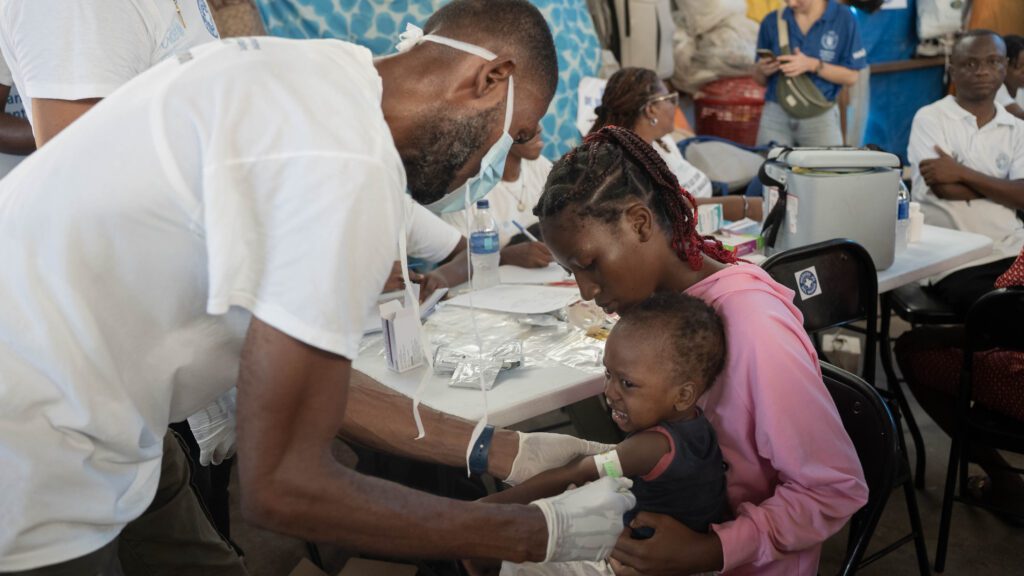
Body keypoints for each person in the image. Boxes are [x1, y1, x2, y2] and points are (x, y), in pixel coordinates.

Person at [0, 1, 636, 574]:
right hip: (36, 436)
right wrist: (530, 532)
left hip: (108, 408)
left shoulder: (317, 79)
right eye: (514, 135)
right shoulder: (342, 166)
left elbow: (295, 381)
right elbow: (284, 486)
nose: (496, 165)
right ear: (489, 78)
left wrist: (501, 449)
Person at [532, 126, 867, 575]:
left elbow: (833, 489)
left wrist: (710, 550)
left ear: (639, 223)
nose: (586, 290)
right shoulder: (661, 314)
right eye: (570, 272)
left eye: (589, 264)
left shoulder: (751, 325)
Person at [470, 292, 730, 576]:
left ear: (683, 395)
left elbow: (577, 473)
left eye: (627, 383)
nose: (609, 392)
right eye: (608, 374)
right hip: (682, 560)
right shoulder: (700, 427)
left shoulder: (650, 447)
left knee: (521, 557)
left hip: (630, 565)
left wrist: (485, 510)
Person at [894, 246, 1024, 517]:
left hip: (1018, 388)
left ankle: (1005, 482)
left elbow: (998, 322)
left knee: (912, 350)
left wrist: (937, 336)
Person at [908, 30, 1024, 315]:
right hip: (954, 260)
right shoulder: (930, 118)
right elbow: (943, 188)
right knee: (1005, 310)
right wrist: (1006, 188)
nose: (982, 71)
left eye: (993, 61)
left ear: (1004, 67)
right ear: (953, 71)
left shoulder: (1016, 128)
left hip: (1012, 248)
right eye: (971, 63)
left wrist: (959, 171)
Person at [591, 67, 763, 223]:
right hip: (702, 218)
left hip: (714, 200)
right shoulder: (627, 164)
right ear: (651, 109)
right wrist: (744, 207)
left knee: (768, 174)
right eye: (670, 99)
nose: (675, 106)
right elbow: (672, 209)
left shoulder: (661, 140)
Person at [752, 0, 865, 147]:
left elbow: (851, 77)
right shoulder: (772, 21)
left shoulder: (843, 17)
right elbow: (759, 79)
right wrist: (762, 70)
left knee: (824, 162)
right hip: (776, 114)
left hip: (820, 117)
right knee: (768, 161)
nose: (792, 4)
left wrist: (812, 65)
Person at [443, 124, 554, 269]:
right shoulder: (465, 190)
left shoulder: (540, 167)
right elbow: (455, 258)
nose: (538, 128)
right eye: (529, 120)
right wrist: (504, 257)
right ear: (496, 132)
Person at [995, 34, 1024, 121]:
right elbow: (1019, 115)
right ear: (1003, 65)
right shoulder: (996, 89)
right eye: (1018, 66)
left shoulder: (1020, 88)